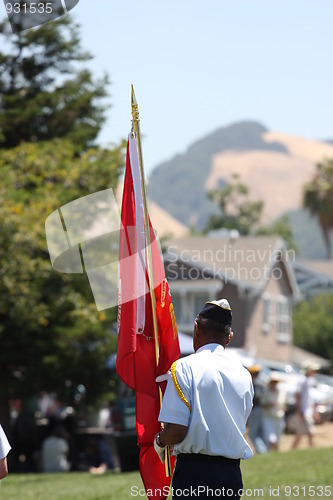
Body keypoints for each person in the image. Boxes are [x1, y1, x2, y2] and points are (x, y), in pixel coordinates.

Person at [154, 299, 253, 499]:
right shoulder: (244, 374)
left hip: (195, 474)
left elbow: (176, 432)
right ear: (229, 337)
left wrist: (158, 441)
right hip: (232, 476)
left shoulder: (184, 367)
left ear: (196, 328)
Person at [292, 361, 319, 449]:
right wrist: (300, 410)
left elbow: (310, 398)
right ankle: (311, 448)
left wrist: (314, 411)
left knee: (300, 433)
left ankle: (293, 449)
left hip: (307, 411)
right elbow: (297, 396)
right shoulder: (302, 380)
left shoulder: (310, 380)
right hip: (304, 411)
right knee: (310, 432)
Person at [261, 372, 286, 451]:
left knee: (278, 439)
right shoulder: (266, 392)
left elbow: (285, 404)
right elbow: (262, 405)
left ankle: (274, 454)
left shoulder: (282, 392)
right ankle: (270, 451)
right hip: (269, 418)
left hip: (279, 418)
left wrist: (283, 409)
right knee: (272, 439)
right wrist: (270, 404)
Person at [246, 365, 267, 454]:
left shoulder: (256, 383)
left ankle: (261, 451)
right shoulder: (262, 382)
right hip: (262, 411)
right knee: (260, 432)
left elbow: (257, 397)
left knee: (252, 433)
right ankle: (264, 450)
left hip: (256, 410)